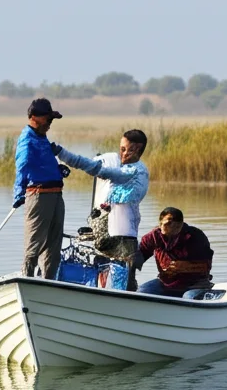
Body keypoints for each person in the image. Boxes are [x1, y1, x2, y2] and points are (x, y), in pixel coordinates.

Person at [53, 130, 150, 289]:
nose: (124, 154)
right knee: (101, 280)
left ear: (139, 150)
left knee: (123, 285)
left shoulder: (134, 171)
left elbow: (102, 171)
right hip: (108, 234)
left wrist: (62, 153)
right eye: (122, 149)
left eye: (129, 150)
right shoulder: (125, 169)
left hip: (123, 238)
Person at [14, 98, 67, 279]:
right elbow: (22, 166)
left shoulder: (42, 137)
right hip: (39, 196)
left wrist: (57, 170)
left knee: (54, 246)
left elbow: (43, 163)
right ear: (34, 117)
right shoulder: (27, 140)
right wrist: (18, 193)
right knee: (34, 245)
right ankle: (27, 279)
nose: (50, 124)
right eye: (48, 120)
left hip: (55, 196)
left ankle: (48, 282)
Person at [136, 207, 214, 299]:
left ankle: (210, 295)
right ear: (160, 224)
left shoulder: (196, 236)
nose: (172, 228)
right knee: (142, 292)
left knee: (189, 298)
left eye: (176, 225)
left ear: (181, 224)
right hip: (166, 282)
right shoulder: (153, 238)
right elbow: (139, 258)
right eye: (168, 224)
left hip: (195, 283)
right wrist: (128, 258)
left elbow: (206, 265)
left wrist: (186, 267)